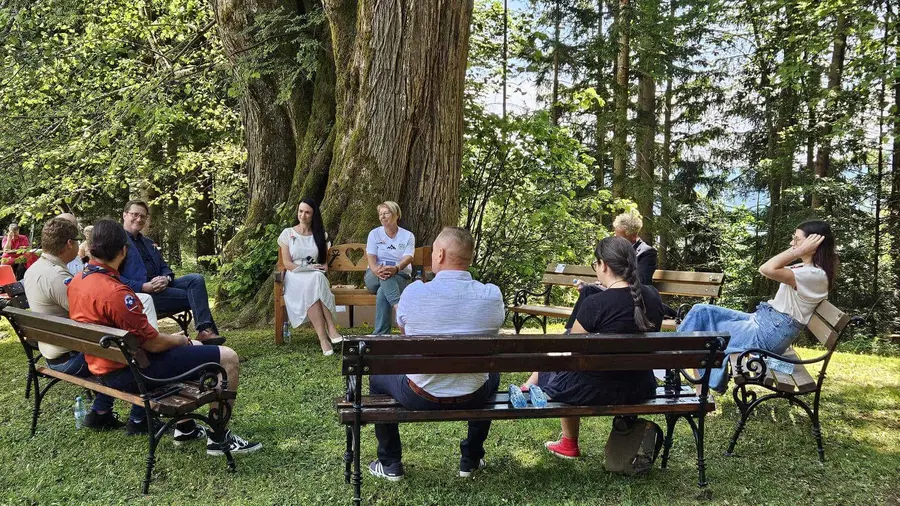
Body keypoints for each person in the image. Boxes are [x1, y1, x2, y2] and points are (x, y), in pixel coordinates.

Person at [68, 219, 261, 454]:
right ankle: (219, 438)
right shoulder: (115, 293)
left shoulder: (77, 282)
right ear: (123, 251)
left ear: (91, 248)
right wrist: (180, 339)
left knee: (195, 347)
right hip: (132, 373)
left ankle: (186, 428)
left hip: (102, 366)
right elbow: (154, 344)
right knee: (227, 357)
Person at [367, 227, 504, 481]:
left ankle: (390, 462)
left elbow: (406, 333)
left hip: (420, 395)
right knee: (492, 375)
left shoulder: (414, 293)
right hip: (474, 395)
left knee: (377, 375)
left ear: (440, 254)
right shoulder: (492, 295)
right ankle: (471, 459)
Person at [522, 236, 665, 459]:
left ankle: (569, 443)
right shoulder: (653, 297)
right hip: (640, 386)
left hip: (595, 390)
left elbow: (572, 350)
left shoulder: (595, 303)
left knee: (556, 364)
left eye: (595, 264)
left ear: (604, 265)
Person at [677, 220, 836, 393]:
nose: (792, 243)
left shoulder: (813, 275)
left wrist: (798, 251)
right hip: (765, 323)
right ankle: (675, 358)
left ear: (814, 244)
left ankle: (678, 368)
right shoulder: (807, 269)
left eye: (797, 239)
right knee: (702, 312)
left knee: (706, 335)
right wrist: (800, 249)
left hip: (770, 334)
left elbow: (766, 269)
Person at [22, 218, 125, 430]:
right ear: (69, 243)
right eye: (78, 240)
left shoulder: (35, 269)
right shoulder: (57, 277)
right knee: (130, 354)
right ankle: (116, 414)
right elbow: (92, 313)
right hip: (69, 358)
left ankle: (102, 412)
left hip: (52, 349)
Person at [118, 200, 224, 344]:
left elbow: (165, 268)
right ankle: (209, 336)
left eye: (143, 216)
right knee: (196, 296)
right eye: (135, 214)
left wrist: (166, 278)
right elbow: (113, 277)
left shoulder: (148, 242)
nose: (139, 219)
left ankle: (205, 332)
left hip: (162, 286)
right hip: (142, 295)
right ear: (124, 215)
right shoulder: (117, 242)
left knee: (196, 279)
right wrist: (143, 286)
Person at [564, 212, 658, 333]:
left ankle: (571, 331)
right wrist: (602, 284)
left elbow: (642, 280)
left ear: (633, 236)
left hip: (632, 292)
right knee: (588, 289)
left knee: (592, 299)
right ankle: (571, 328)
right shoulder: (654, 296)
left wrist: (612, 283)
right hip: (617, 291)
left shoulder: (646, 252)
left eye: (619, 236)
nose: (616, 238)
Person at [278, 198, 342, 355]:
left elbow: (324, 263)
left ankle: (325, 336)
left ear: (314, 215)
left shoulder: (320, 235)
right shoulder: (288, 233)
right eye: (300, 211)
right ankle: (328, 331)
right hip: (295, 276)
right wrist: (307, 268)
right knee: (315, 281)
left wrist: (321, 266)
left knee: (316, 279)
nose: (303, 215)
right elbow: (287, 264)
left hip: (315, 275)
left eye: (307, 212)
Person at [364, 201, 415, 335]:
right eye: (380, 214)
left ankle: (381, 334)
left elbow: (408, 257)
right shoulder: (374, 234)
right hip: (374, 275)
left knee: (383, 290)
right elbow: (371, 258)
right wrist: (377, 271)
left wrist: (396, 269)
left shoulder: (408, 236)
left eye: (386, 213)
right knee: (386, 277)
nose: (382, 217)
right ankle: (399, 310)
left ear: (396, 214)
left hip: (399, 275)